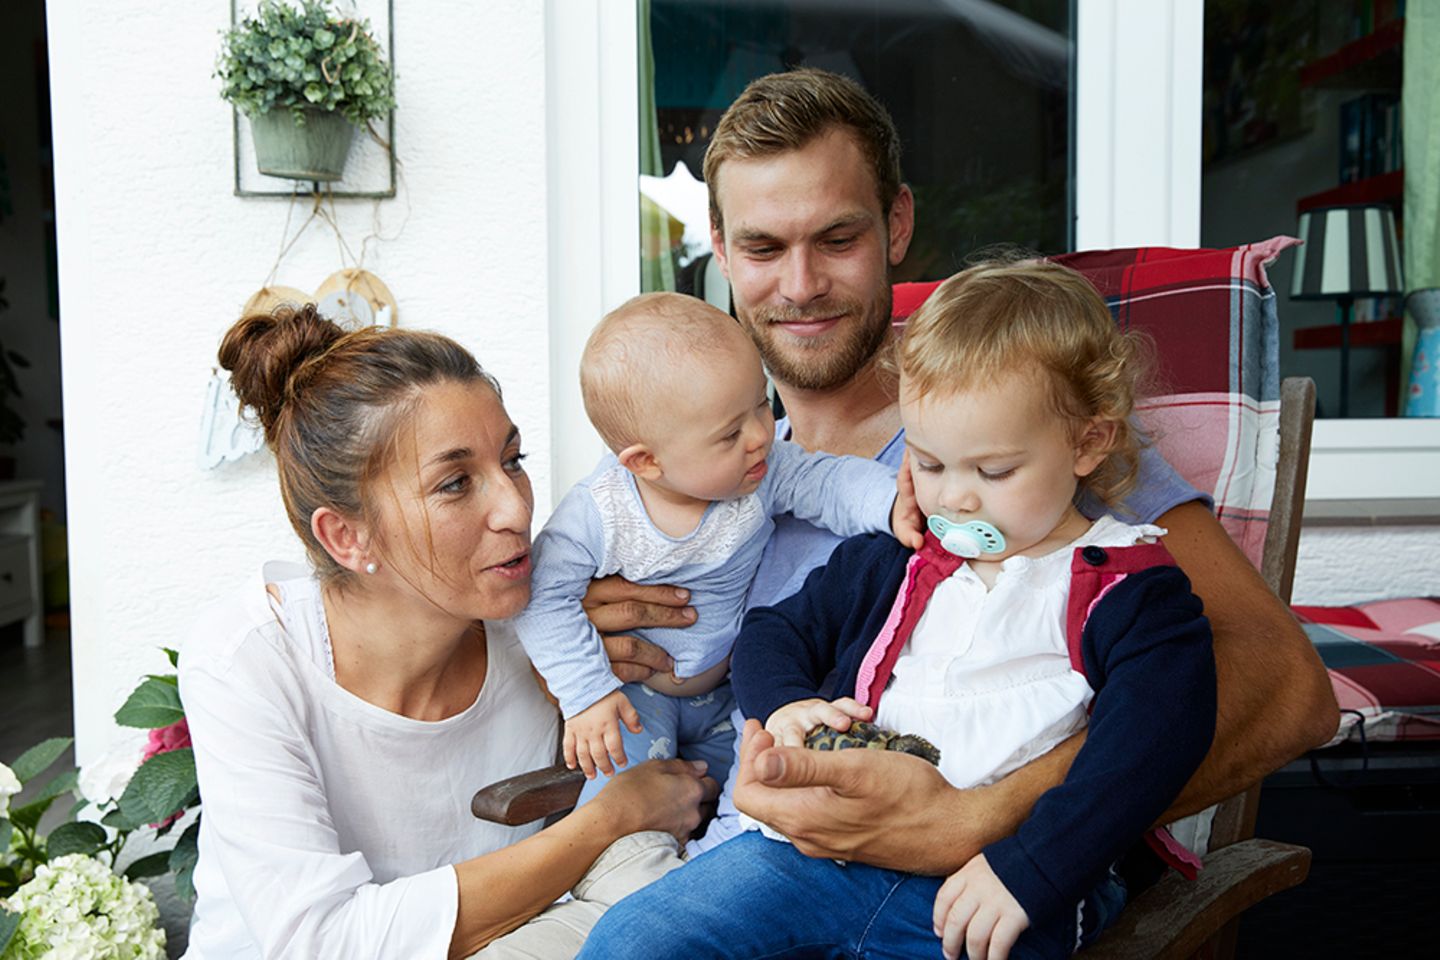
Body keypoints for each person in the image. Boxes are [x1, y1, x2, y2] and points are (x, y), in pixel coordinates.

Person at [579, 67, 1337, 878]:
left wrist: (986, 820)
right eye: (763, 247)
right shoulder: (683, 463)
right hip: (689, 863)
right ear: (721, 250)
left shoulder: (1007, 432)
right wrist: (594, 628)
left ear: (897, 225)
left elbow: (1287, 691)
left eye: (838, 239)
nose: (800, 287)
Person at [580, 259, 1218, 959]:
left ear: (1088, 442)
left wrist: (1034, 869)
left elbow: (1154, 742)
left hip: (1001, 881)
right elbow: (773, 632)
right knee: (632, 938)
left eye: (994, 471)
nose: (955, 500)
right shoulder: (901, 559)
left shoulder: (1126, 586)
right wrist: (786, 705)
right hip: (818, 858)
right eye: (931, 464)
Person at [179, 304, 717, 960]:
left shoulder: (550, 633)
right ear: (347, 536)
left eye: (513, 460)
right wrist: (610, 819)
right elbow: (324, 943)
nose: (516, 508)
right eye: (456, 483)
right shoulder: (250, 658)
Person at [511, 292, 915, 804]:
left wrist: (893, 504)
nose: (760, 436)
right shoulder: (601, 512)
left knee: (749, 789)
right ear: (646, 463)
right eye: (729, 434)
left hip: (725, 695)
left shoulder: (763, 473)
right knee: (625, 798)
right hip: (635, 695)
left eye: (760, 406)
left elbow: (829, 483)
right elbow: (544, 594)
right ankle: (628, 868)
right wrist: (587, 693)